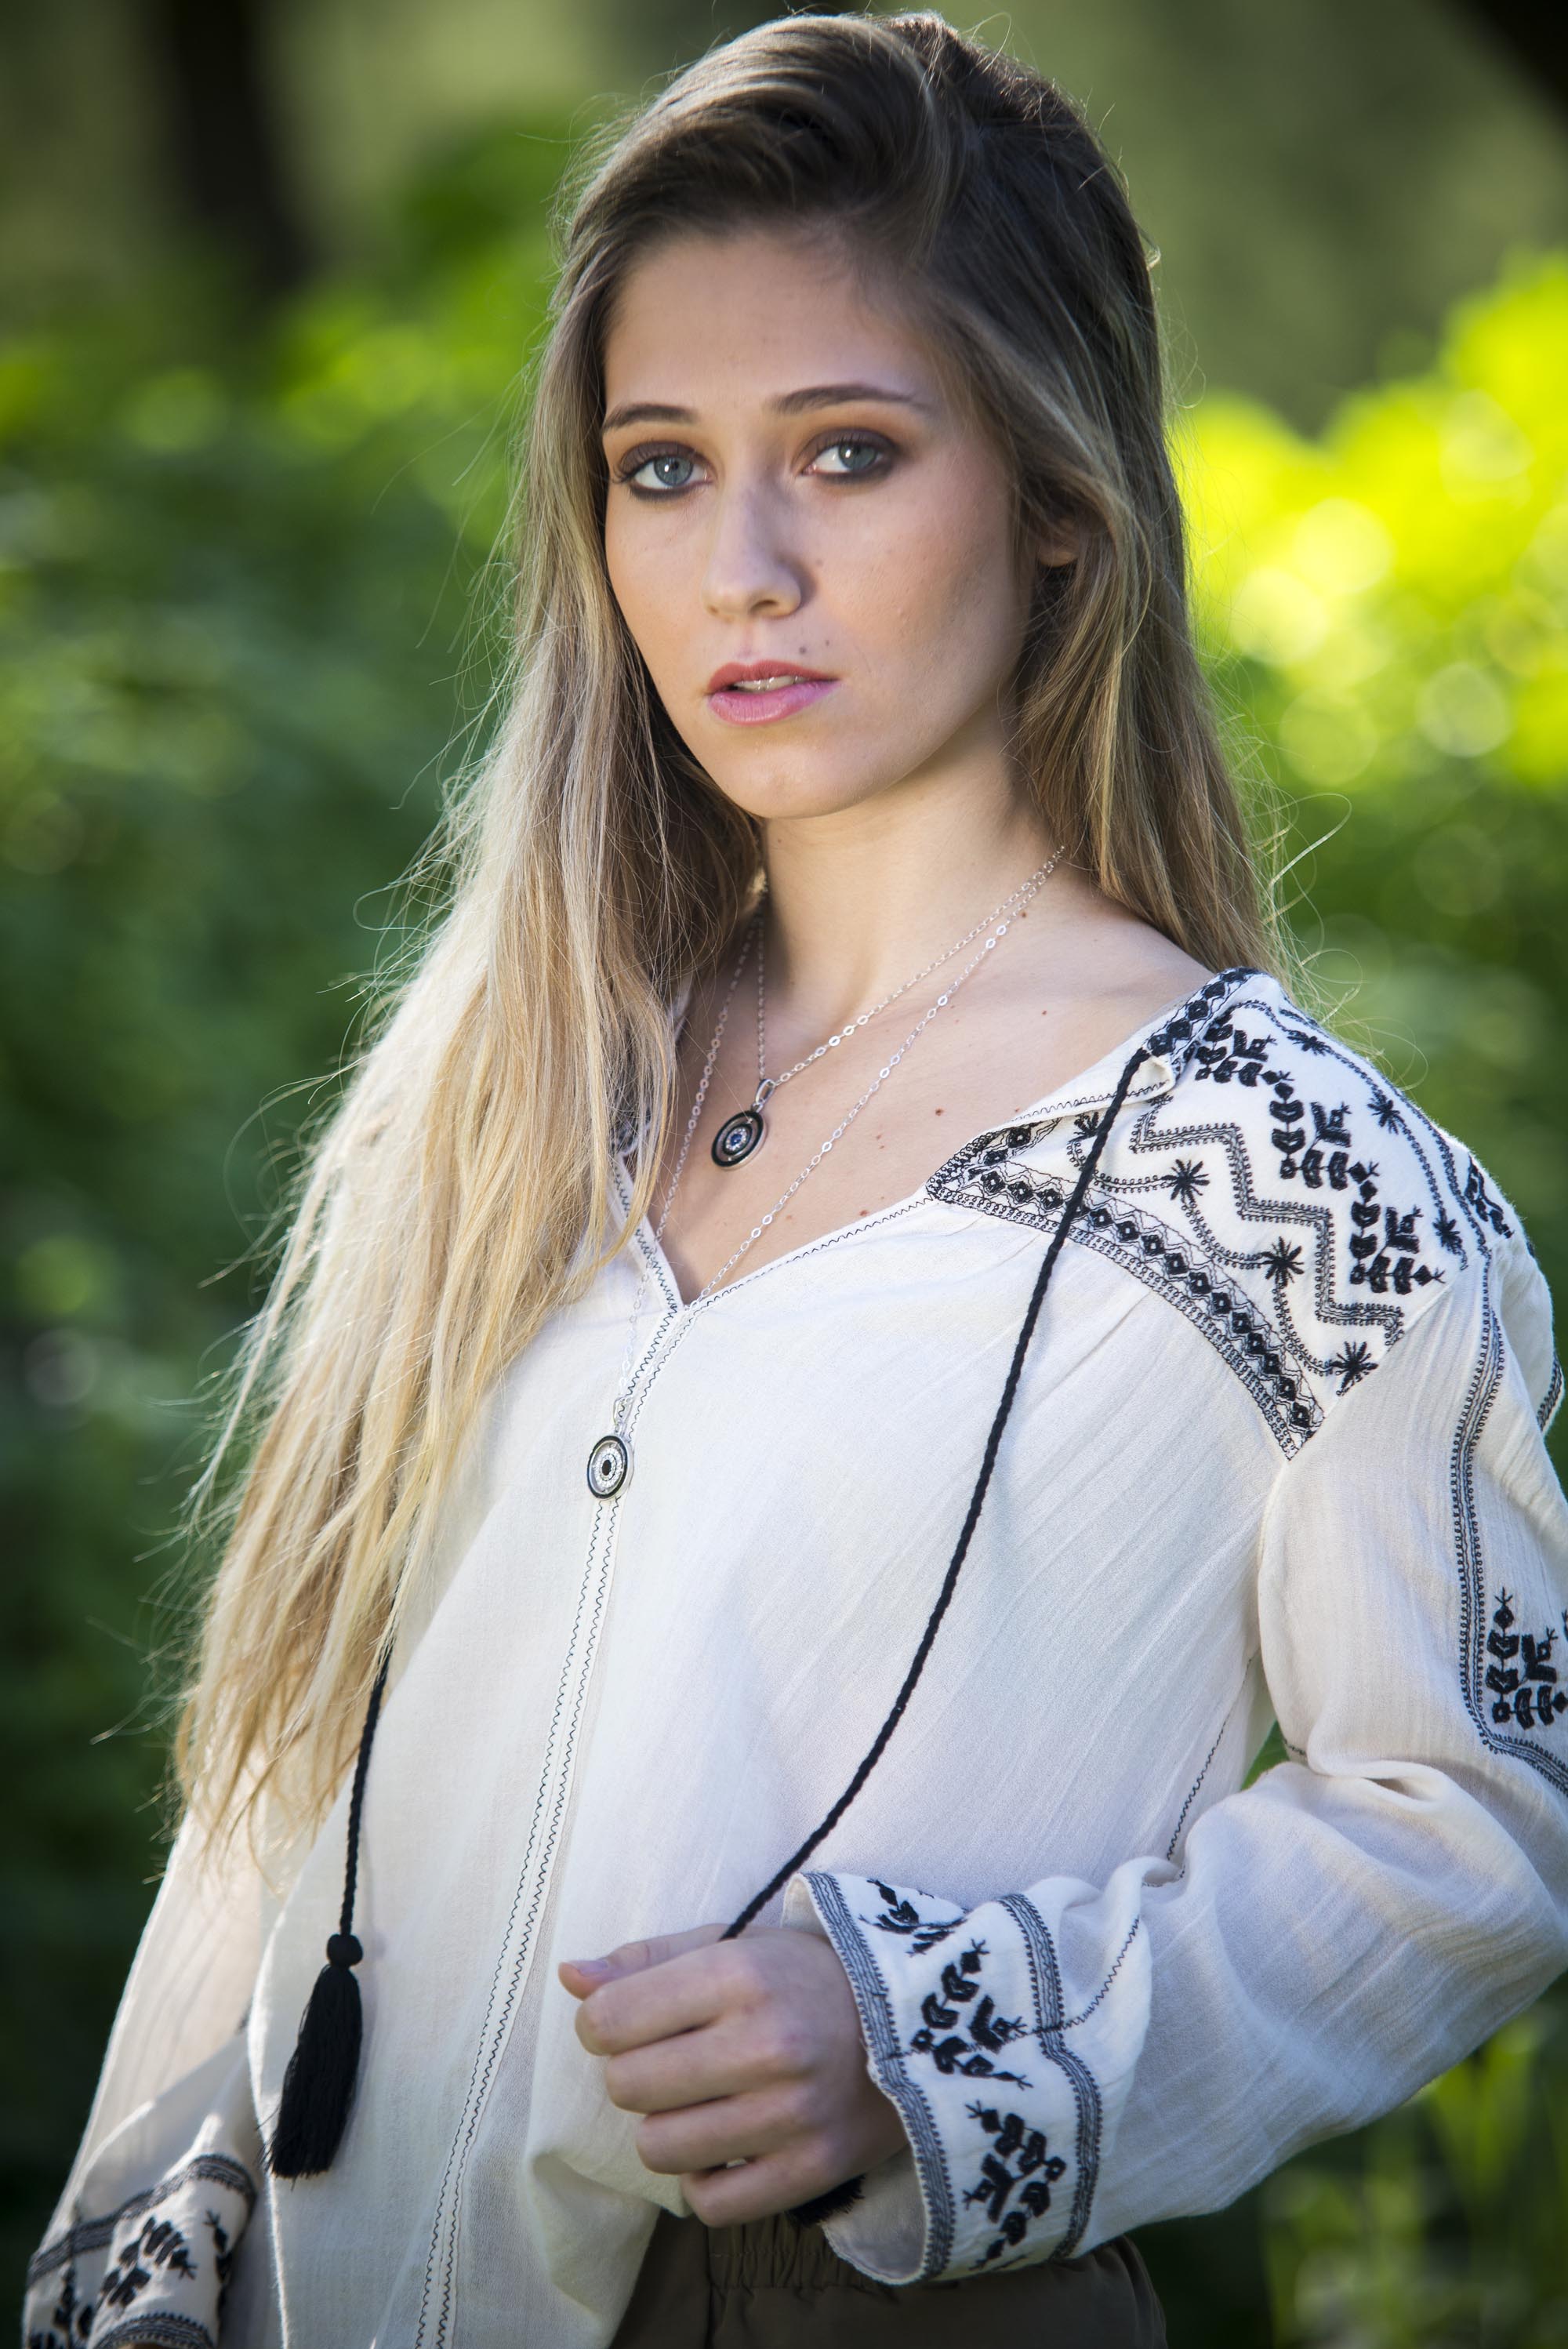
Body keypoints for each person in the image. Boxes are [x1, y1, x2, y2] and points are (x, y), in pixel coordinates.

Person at [25, 12, 1568, 2347]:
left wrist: (944, 2033)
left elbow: (1484, 1814)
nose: (739, 568)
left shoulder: (1305, 1191)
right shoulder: (514, 1081)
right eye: (662, 468)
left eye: (848, 452)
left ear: (1057, 496)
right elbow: (268, 1797)